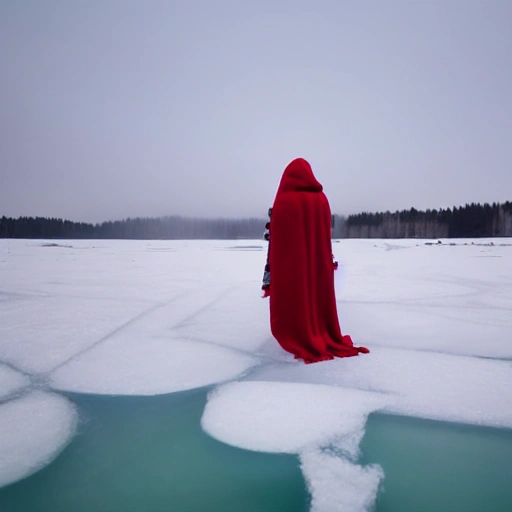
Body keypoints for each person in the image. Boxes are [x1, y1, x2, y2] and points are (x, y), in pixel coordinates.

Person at [262, 157, 369, 363]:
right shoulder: (322, 200)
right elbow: (324, 235)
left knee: (295, 296)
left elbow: (279, 237)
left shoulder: (285, 201)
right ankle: (319, 329)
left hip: (291, 264)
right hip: (318, 263)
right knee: (317, 294)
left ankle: (297, 333)